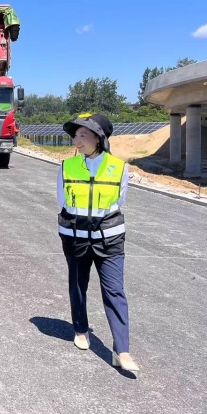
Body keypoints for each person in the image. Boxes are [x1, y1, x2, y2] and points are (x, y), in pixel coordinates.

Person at [59, 113, 139, 372]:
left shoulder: (119, 167)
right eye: (76, 135)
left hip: (109, 240)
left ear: (99, 138)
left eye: (83, 135)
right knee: (77, 285)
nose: (77, 140)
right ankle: (81, 330)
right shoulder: (67, 166)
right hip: (77, 237)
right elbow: (63, 201)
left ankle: (122, 350)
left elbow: (119, 201)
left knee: (115, 290)